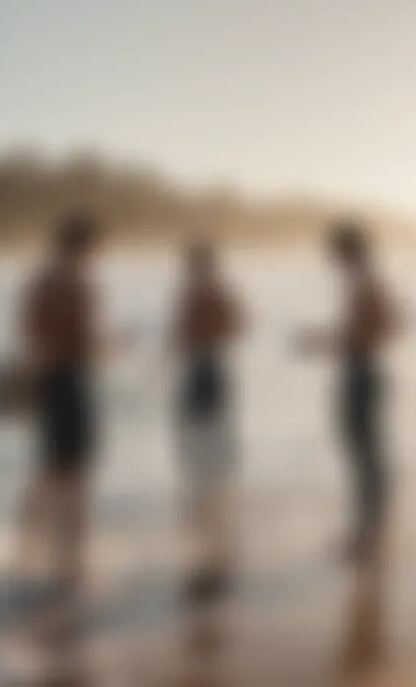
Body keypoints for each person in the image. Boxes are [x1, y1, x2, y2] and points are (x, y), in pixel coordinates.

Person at [298, 221, 402, 562]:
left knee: (363, 454)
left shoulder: (364, 283)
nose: (330, 258)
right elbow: (385, 326)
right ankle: (371, 530)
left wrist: (321, 341)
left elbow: (371, 330)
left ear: (349, 251)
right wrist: (336, 339)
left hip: (362, 373)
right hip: (365, 371)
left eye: (335, 251)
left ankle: (368, 535)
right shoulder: (367, 282)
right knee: (366, 453)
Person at [14, 213, 101, 596]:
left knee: (50, 469)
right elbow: (82, 343)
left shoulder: (38, 284)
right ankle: (69, 564)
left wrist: (33, 383)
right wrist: (109, 347)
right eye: (94, 249)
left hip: (50, 382)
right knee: (75, 472)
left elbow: (32, 339)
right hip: (71, 382)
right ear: (81, 247)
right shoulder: (76, 286)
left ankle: (28, 551)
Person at [172, 241, 247, 599]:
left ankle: (206, 532)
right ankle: (219, 531)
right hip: (216, 367)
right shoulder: (221, 291)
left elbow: (180, 337)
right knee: (216, 449)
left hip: (200, 370)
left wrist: (192, 340)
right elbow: (239, 327)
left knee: (196, 451)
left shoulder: (194, 293)